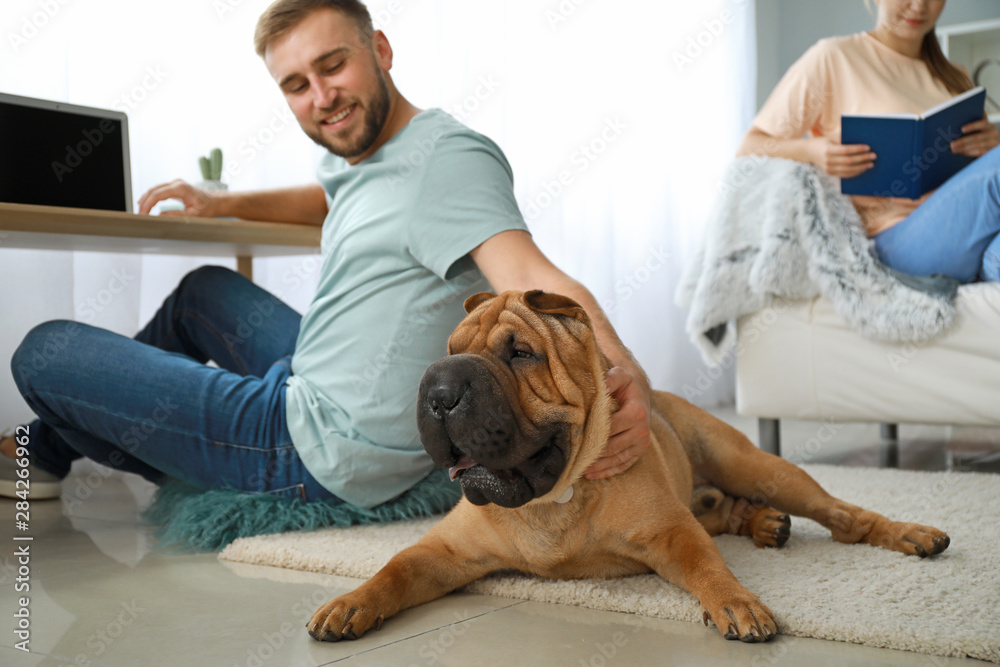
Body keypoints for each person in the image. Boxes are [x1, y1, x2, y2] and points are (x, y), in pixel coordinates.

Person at [0, 0, 651, 505]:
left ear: (381, 49)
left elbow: (536, 279)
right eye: (296, 84)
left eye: (333, 65)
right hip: (309, 377)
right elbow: (332, 195)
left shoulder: (447, 160)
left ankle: (53, 448)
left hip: (323, 450)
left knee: (43, 351)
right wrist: (222, 202)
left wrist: (630, 383)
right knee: (203, 292)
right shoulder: (375, 151)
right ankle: (52, 450)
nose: (321, 97)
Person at [736, 0, 1000, 283]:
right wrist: (812, 150)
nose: (919, 5)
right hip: (892, 242)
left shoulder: (955, 76)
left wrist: (990, 145)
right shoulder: (833, 57)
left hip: (968, 235)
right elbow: (750, 147)